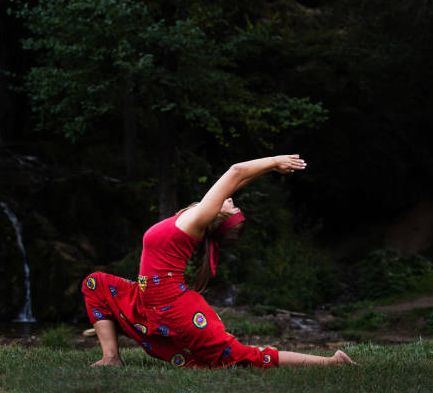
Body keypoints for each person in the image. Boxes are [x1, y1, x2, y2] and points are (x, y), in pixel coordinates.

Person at [81, 155, 354, 369]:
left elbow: (235, 173)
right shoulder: (195, 216)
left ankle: (331, 361)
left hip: (171, 305)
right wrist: (269, 169)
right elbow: (238, 181)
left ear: (217, 217)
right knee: (95, 283)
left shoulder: (196, 221)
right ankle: (111, 358)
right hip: (147, 299)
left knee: (243, 357)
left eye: (231, 206)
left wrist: (275, 160)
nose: (231, 199)